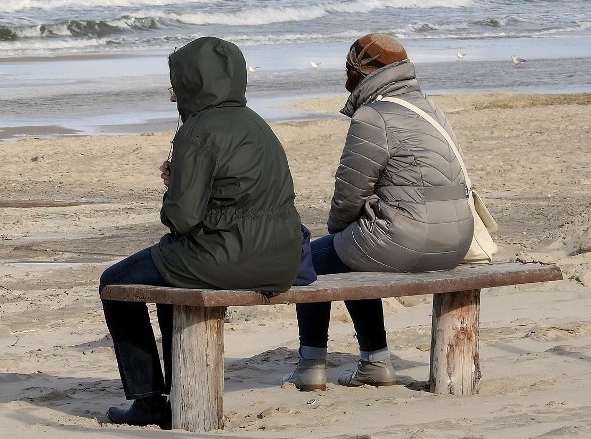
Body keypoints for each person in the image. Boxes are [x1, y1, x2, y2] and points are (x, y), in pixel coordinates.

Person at [100, 36, 304, 429]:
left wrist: (172, 188)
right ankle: (178, 386)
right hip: (282, 257)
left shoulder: (197, 131)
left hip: (229, 256)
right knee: (165, 272)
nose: (173, 93)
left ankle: (147, 400)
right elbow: (239, 192)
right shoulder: (256, 123)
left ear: (193, 82)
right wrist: (185, 181)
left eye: (176, 82)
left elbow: (181, 219)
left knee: (114, 284)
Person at [282, 33, 474, 391]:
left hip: (408, 239)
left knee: (309, 257)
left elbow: (350, 191)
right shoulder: (431, 109)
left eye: (348, 69)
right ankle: (374, 362)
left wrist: (338, 232)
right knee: (355, 248)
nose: (345, 80)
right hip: (459, 238)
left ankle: (311, 365)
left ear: (365, 71)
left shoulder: (373, 116)